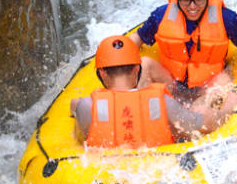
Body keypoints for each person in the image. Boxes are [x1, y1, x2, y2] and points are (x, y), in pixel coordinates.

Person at [136, 0, 237, 131]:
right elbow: (136, 38)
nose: (192, 6)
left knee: (209, 101)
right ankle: (137, 114)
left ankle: (202, 124)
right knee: (144, 64)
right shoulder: (161, 15)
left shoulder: (225, 17)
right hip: (171, 83)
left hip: (207, 87)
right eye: (186, 0)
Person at [73, 34, 204, 151]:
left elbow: (80, 138)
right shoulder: (163, 102)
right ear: (137, 69)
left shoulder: (86, 106)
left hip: (108, 173)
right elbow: (204, 126)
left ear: (101, 73)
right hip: (157, 171)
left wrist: (76, 106)